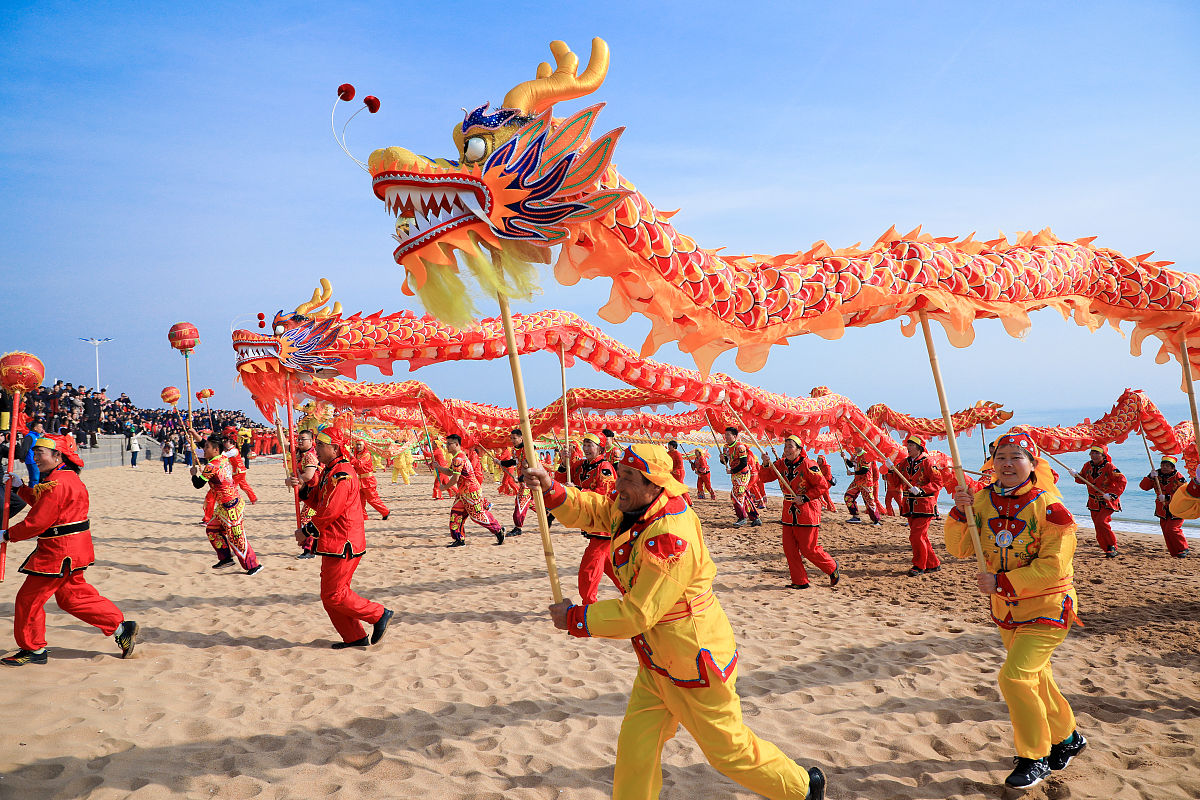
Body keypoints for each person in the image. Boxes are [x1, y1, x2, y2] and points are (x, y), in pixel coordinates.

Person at [532, 444, 827, 800]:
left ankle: (802, 788)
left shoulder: (669, 535)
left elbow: (639, 613)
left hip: (692, 661)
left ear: (654, 484)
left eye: (627, 477)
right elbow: (597, 511)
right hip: (657, 661)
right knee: (636, 748)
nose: (617, 485)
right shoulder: (635, 505)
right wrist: (552, 488)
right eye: (619, 474)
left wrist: (577, 618)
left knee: (729, 751)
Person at [946, 431, 1086, 790]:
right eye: (1001, 457)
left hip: (1048, 609)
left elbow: (1055, 567)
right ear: (992, 463)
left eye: (1017, 457)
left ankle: (1034, 756)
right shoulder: (981, 500)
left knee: (1015, 678)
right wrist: (960, 513)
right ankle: (1068, 738)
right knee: (1037, 678)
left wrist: (1003, 581)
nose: (1007, 464)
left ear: (1032, 463)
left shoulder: (1051, 509)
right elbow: (958, 549)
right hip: (1007, 612)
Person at [0, 434, 139, 666]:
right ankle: (120, 627)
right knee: (72, 597)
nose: (34, 458)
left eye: (39, 453)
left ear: (58, 455)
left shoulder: (58, 483)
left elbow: (38, 521)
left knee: (28, 599)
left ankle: (32, 648)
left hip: (58, 553)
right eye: (34, 453)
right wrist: (20, 488)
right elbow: (44, 504)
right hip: (74, 549)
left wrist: (7, 535)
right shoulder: (64, 478)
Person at [295, 425, 393, 649]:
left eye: (321, 445)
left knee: (335, 595)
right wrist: (301, 489)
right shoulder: (331, 470)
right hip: (333, 541)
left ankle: (379, 613)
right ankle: (354, 636)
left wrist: (307, 532)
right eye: (317, 444)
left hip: (343, 541)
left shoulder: (342, 474)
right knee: (330, 595)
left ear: (336, 448)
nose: (316, 449)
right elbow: (319, 502)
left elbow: (331, 511)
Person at [758, 436, 840, 590]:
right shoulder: (780, 464)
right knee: (789, 549)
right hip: (788, 512)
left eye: (791, 446)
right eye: (786, 446)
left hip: (807, 511)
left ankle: (831, 567)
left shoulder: (809, 465)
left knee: (809, 549)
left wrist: (805, 497)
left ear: (799, 449)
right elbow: (764, 478)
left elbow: (822, 486)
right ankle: (800, 581)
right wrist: (765, 464)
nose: (787, 450)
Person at [557, 432, 618, 604]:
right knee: (608, 565)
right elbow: (561, 479)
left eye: (590, 445)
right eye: (584, 444)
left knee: (589, 569)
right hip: (592, 521)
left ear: (600, 448)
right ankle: (631, 592)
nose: (586, 448)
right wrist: (564, 462)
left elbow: (604, 493)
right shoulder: (582, 465)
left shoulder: (605, 467)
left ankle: (589, 605)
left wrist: (577, 489)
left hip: (603, 522)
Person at [191, 435, 262, 575]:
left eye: (207, 448)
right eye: (205, 447)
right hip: (224, 505)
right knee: (212, 529)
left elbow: (198, 484)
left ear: (216, 450)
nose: (204, 449)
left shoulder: (212, 465)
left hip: (230, 506)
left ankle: (253, 565)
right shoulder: (222, 457)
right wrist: (195, 434)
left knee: (237, 537)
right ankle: (225, 558)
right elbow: (208, 444)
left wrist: (193, 475)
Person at [430, 434, 505, 547]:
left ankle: (498, 530)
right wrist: (438, 467)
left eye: (449, 444)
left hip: (470, 491)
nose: (447, 446)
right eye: (446, 444)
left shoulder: (459, 458)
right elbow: (450, 472)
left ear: (456, 444)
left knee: (477, 516)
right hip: (463, 492)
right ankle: (459, 539)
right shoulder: (457, 457)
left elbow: (455, 478)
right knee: (456, 514)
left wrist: (444, 488)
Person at [895, 435, 942, 576]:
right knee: (922, 536)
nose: (908, 448)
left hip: (924, 505)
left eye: (911, 445)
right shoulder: (905, 462)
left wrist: (922, 489)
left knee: (916, 536)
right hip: (910, 505)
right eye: (908, 445)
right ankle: (933, 564)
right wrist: (890, 469)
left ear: (918, 447)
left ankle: (919, 565)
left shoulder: (928, 462)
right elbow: (896, 480)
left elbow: (938, 483)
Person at [1071, 445, 1126, 558]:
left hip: (1107, 501)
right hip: (1093, 502)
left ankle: (1112, 546)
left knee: (1102, 522)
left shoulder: (1109, 467)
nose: (1094, 455)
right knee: (1098, 525)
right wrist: (1076, 475)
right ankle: (1106, 548)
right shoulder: (1087, 465)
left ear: (1103, 455)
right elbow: (1083, 480)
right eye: (1092, 453)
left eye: (1097, 453)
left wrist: (1111, 494)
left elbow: (1122, 480)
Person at [1139, 455, 1190, 557]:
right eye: (1163, 465)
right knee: (1166, 531)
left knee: (1173, 529)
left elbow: (1185, 494)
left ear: (1173, 467)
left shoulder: (1179, 478)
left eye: (1167, 465)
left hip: (1178, 508)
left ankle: (1183, 548)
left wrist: (1168, 497)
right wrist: (1149, 477)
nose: (1165, 467)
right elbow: (1143, 487)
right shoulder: (1156, 475)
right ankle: (1174, 552)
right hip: (1162, 509)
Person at [285, 429, 322, 559]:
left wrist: (294, 479)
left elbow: (308, 476)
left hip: (315, 493)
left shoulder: (310, 456)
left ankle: (310, 550)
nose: (299, 441)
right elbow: (283, 444)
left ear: (311, 441)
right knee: (309, 519)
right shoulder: (299, 452)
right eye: (298, 439)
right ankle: (313, 547)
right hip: (309, 493)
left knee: (306, 518)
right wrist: (280, 426)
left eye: (303, 439)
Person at [721, 427, 760, 527]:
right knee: (744, 495)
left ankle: (742, 517)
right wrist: (722, 458)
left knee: (736, 495)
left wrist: (732, 471)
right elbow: (725, 461)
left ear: (734, 436)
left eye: (728, 435)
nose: (726, 437)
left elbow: (743, 463)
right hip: (734, 475)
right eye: (725, 435)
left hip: (743, 474)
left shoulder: (740, 447)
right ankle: (755, 517)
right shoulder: (725, 447)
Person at [351, 440, 390, 521]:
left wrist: (351, 457)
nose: (358, 446)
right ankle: (363, 517)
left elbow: (359, 464)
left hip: (368, 480)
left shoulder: (366, 454)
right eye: (357, 445)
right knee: (360, 500)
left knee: (372, 499)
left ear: (364, 446)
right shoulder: (357, 454)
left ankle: (385, 511)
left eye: (360, 445)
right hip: (360, 480)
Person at [842, 449, 881, 525]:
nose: (855, 446)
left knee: (869, 501)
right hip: (857, 481)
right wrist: (845, 457)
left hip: (866, 482)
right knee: (848, 496)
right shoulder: (855, 455)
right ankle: (855, 516)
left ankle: (876, 520)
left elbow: (864, 470)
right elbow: (851, 464)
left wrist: (852, 473)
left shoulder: (866, 456)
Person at [222, 427, 257, 505]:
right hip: (240, 470)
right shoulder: (232, 450)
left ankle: (232, 499)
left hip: (238, 471)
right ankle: (253, 498)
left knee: (232, 485)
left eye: (226, 442)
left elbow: (224, 456)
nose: (225, 443)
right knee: (244, 486)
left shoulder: (233, 451)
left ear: (231, 443)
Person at [666, 440, 690, 505]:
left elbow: (680, 465)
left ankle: (688, 502)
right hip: (671, 472)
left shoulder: (678, 454)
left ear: (674, 446)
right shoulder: (668, 453)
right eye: (668, 445)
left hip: (679, 473)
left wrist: (675, 471)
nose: (668, 446)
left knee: (680, 486)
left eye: (670, 445)